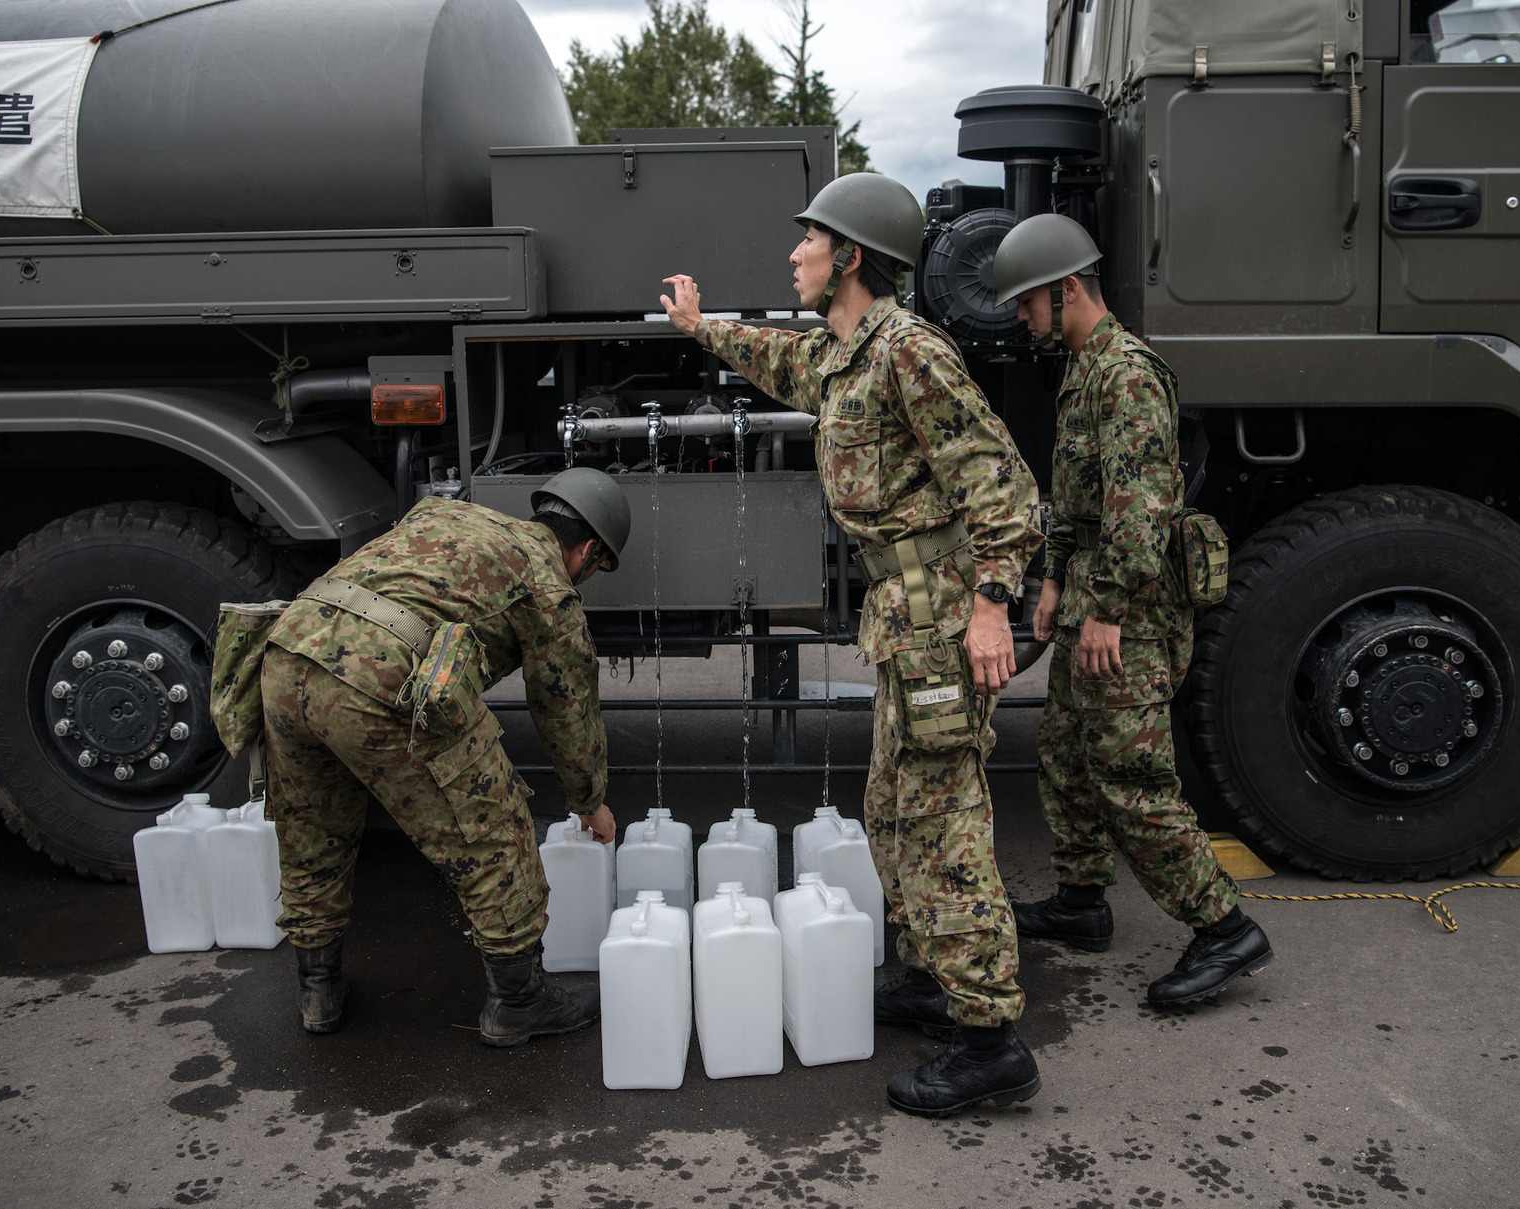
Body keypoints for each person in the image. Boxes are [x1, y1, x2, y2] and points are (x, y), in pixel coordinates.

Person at [662, 172, 1045, 1117]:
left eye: (809, 241)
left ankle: (990, 1039)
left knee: (942, 821)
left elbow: (1005, 486)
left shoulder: (910, 353)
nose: (794, 253)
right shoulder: (843, 355)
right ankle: (928, 977)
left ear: (852, 259)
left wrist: (994, 605)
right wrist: (699, 327)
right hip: (903, 618)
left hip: (944, 614)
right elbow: (771, 358)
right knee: (890, 807)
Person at [991, 213, 1273, 1007]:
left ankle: (1223, 928)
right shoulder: (1083, 369)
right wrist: (1051, 581)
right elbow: (1078, 505)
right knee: (1067, 757)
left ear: (1067, 288)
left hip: (1131, 609)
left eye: (1027, 302)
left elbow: (1142, 510)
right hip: (1090, 596)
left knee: (1130, 777)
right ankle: (1081, 903)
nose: (1020, 317)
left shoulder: (1127, 376)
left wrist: (1107, 607)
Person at [259, 468, 629, 1044]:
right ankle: (519, 1002)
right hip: (379, 679)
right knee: (495, 830)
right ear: (586, 550)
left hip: (287, 653)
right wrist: (590, 800)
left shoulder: (445, 514)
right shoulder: (549, 585)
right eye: (595, 568)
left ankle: (318, 991)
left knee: (313, 831)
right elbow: (566, 707)